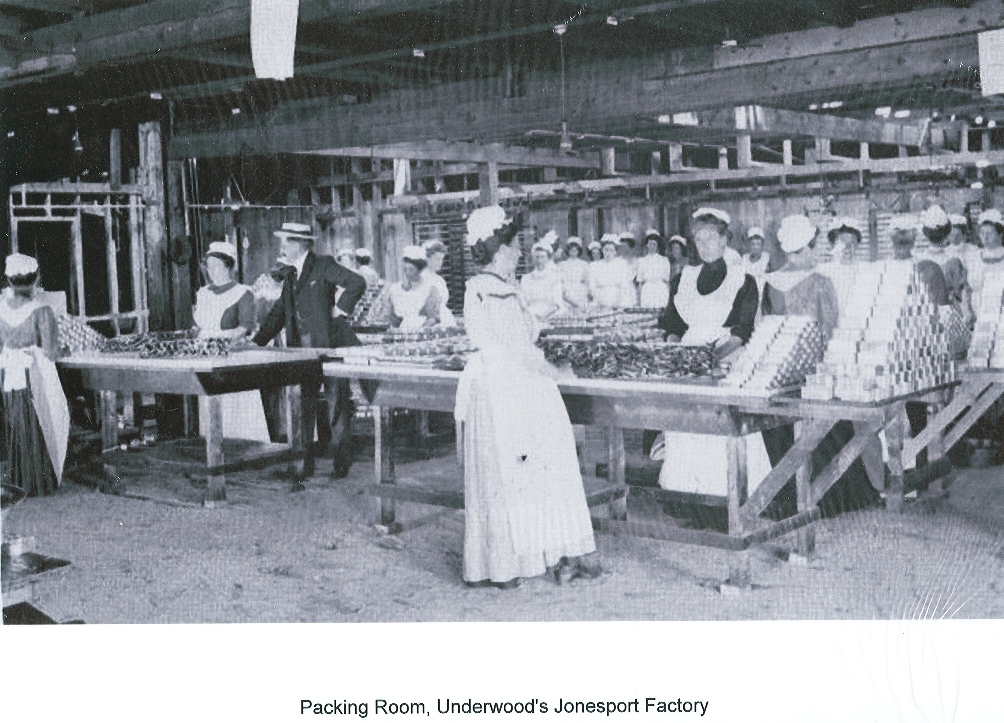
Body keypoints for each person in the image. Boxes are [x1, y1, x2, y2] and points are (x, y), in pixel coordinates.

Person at [455, 205, 600, 588]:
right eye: (515, 245)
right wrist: (556, 372)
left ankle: (507, 562)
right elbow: (518, 348)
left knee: (514, 473)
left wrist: (542, 316)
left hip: (503, 385)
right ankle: (509, 562)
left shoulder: (491, 287)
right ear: (499, 249)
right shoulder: (494, 289)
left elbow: (517, 332)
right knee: (518, 472)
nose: (520, 252)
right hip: (511, 388)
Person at [759, 217, 880, 518]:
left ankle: (787, 497)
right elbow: (830, 330)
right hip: (815, 373)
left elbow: (763, 327)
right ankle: (832, 496)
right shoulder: (820, 283)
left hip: (780, 371)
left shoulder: (770, 281)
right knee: (831, 428)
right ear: (808, 247)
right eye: (815, 247)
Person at [655, 208, 765, 495]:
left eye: (709, 239)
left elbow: (743, 331)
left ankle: (729, 496)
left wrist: (712, 356)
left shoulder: (744, 280)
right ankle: (688, 495)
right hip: (688, 360)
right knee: (687, 429)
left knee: (721, 428)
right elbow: (672, 323)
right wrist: (675, 349)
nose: (703, 246)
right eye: (698, 240)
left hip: (725, 358)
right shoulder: (684, 279)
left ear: (724, 239)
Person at [254, 221, 366, 480]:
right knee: (302, 406)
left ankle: (341, 463)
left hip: (328, 347)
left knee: (336, 405)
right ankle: (301, 465)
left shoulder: (323, 264)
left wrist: (340, 310)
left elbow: (356, 283)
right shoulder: (291, 274)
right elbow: (279, 313)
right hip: (301, 352)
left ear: (299, 244)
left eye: (286, 241)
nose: (282, 246)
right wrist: (257, 342)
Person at [0, 254, 70, 497]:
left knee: (16, 425)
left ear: (9, 280)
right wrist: (64, 349)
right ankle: (38, 482)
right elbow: (51, 351)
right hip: (33, 375)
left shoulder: (0, 307)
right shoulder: (41, 310)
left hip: (9, 374)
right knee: (42, 421)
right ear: (36, 278)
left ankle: (18, 479)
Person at [193, 242, 270, 442]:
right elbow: (198, 325)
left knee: (236, 408)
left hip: (232, 358)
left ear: (229, 266)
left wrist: (217, 339)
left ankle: (247, 446)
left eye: (218, 266)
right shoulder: (203, 294)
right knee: (211, 404)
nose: (213, 271)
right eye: (209, 266)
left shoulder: (243, 293)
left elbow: (245, 328)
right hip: (206, 358)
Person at [380, 246, 442, 329]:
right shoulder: (396, 290)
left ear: (420, 270)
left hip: (421, 333)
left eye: (411, 270)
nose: (408, 273)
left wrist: (421, 329)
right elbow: (392, 317)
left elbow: (433, 318)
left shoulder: (429, 290)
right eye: (405, 270)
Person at [817, 217, 866, 311]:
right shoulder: (823, 271)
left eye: (851, 244)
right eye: (842, 244)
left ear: (857, 245)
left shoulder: (864, 270)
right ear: (833, 245)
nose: (846, 249)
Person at [520, 238, 564, 320]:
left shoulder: (554, 277)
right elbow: (523, 302)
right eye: (537, 257)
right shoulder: (526, 278)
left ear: (548, 258)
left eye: (543, 257)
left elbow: (557, 303)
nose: (539, 260)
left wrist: (544, 316)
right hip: (530, 317)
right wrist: (532, 317)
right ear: (533, 258)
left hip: (549, 317)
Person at [588, 234, 635, 309]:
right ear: (602, 250)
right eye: (606, 250)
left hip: (618, 299)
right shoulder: (595, 265)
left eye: (611, 250)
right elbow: (592, 286)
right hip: (601, 300)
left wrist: (621, 303)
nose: (608, 253)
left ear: (615, 251)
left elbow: (624, 285)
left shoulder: (621, 264)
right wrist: (599, 299)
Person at [420, 240, 457, 328]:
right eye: (437, 258)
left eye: (442, 259)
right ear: (427, 258)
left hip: (444, 319)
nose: (440, 262)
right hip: (425, 321)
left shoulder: (440, 280)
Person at [635, 229, 672, 309]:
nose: (652, 246)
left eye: (654, 244)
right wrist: (638, 300)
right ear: (647, 245)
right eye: (650, 244)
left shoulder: (664, 260)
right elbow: (640, 282)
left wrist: (670, 298)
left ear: (657, 245)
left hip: (660, 289)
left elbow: (667, 281)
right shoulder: (641, 261)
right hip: (647, 290)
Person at [557, 236, 590, 309]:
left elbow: (587, 281)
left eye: (575, 250)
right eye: (571, 250)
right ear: (568, 251)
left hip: (580, 293)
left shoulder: (584, 264)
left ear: (579, 251)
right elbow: (560, 281)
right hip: (566, 293)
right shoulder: (562, 265)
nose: (573, 253)